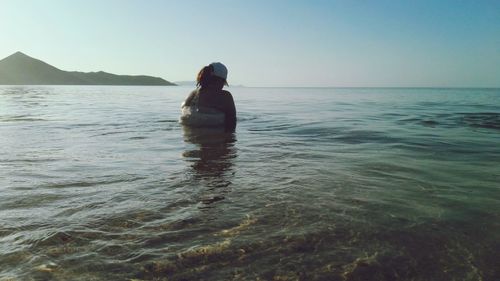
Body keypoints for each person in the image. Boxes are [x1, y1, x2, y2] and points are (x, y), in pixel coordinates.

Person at [180, 62, 236, 131]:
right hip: (214, 136)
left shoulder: (194, 94)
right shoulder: (225, 96)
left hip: (192, 137)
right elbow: (232, 121)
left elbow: (183, 109)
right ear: (220, 81)